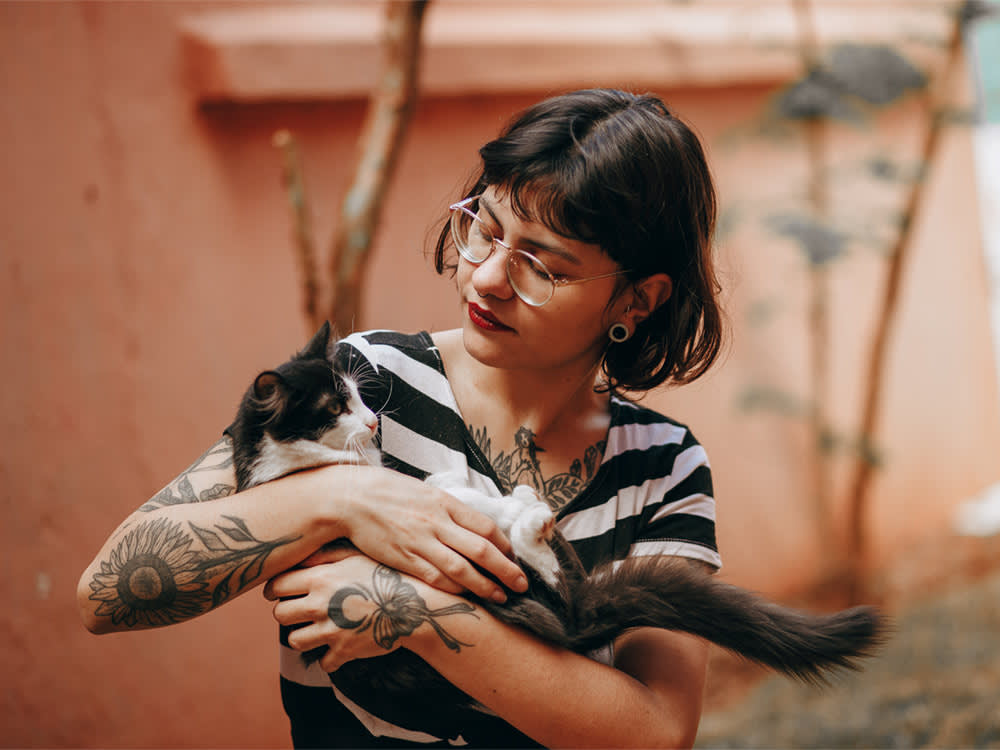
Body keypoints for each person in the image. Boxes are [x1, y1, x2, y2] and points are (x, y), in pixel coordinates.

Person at [78, 88, 724, 748]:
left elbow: (658, 731)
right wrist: (342, 497)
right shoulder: (366, 387)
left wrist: (418, 614)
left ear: (638, 300)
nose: (487, 278)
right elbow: (107, 593)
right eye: (485, 229)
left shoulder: (662, 467)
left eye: (540, 266)